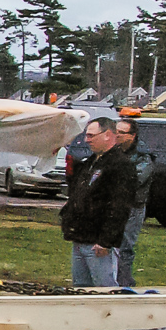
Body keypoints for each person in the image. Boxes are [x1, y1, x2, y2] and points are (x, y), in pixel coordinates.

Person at [60, 118, 135, 287]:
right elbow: (78, 192)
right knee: (80, 287)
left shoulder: (120, 165)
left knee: (104, 288)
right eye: (86, 135)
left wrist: (106, 240)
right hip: (80, 236)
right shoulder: (91, 162)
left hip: (98, 242)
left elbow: (120, 206)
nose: (87, 140)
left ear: (107, 135)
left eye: (91, 135)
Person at [114, 118, 154, 287]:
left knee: (125, 246)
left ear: (132, 136)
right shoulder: (112, 152)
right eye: (116, 131)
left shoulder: (143, 156)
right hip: (112, 205)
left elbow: (134, 180)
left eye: (121, 133)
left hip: (132, 207)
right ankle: (109, 280)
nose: (117, 135)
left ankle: (124, 283)